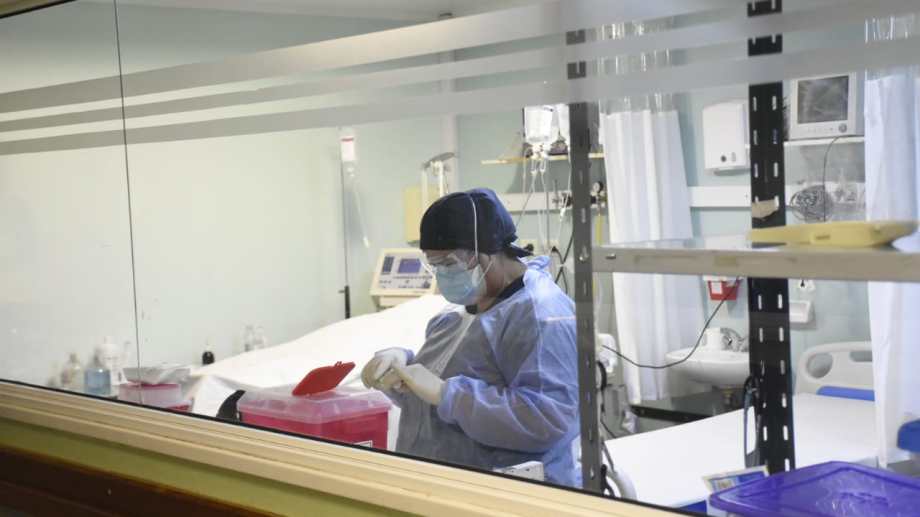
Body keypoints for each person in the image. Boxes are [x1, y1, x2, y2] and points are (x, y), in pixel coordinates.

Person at [361, 188, 580, 487]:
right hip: (440, 487)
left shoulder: (540, 314)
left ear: (489, 253)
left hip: (508, 494)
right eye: (434, 265)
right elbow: (438, 394)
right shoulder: (461, 310)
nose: (442, 275)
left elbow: (546, 420)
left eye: (449, 264)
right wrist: (402, 370)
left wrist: (448, 394)